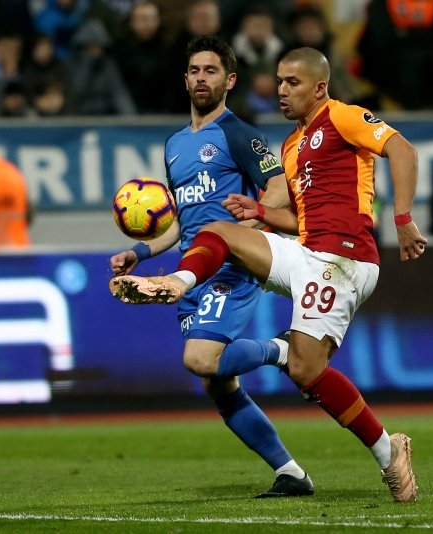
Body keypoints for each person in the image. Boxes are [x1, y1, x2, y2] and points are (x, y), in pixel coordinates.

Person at [110, 46, 426, 502]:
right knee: (223, 230)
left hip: (344, 259)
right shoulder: (293, 145)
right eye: (278, 81)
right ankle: (177, 281)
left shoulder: (344, 116)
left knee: (303, 369)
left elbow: (402, 149)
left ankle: (386, 449)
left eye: (292, 82)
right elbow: (302, 219)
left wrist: (402, 219)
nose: (281, 90)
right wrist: (258, 211)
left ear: (320, 87)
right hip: (308, 250)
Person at [109, 35, 313, 498]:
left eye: (211, 71)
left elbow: (278, 185)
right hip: (191, 267)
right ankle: (292, 473)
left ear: (230, 80)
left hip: (232, 264)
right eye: (195, 71)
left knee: (199, 359)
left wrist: (255, 216)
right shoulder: (176, 144)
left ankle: (281, 351)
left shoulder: (240, 134)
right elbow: (182, 216)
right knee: (217, 383)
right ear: (185, 79)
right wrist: (140, 254)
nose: (202, 78)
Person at [356, 0, 433, 111]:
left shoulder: (429, 5)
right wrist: (420, 33)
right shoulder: (381, 4)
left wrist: (406, 33)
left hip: (425, 55)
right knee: (412, 62)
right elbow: (384, 40)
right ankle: (412, 116)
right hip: (388, 59)